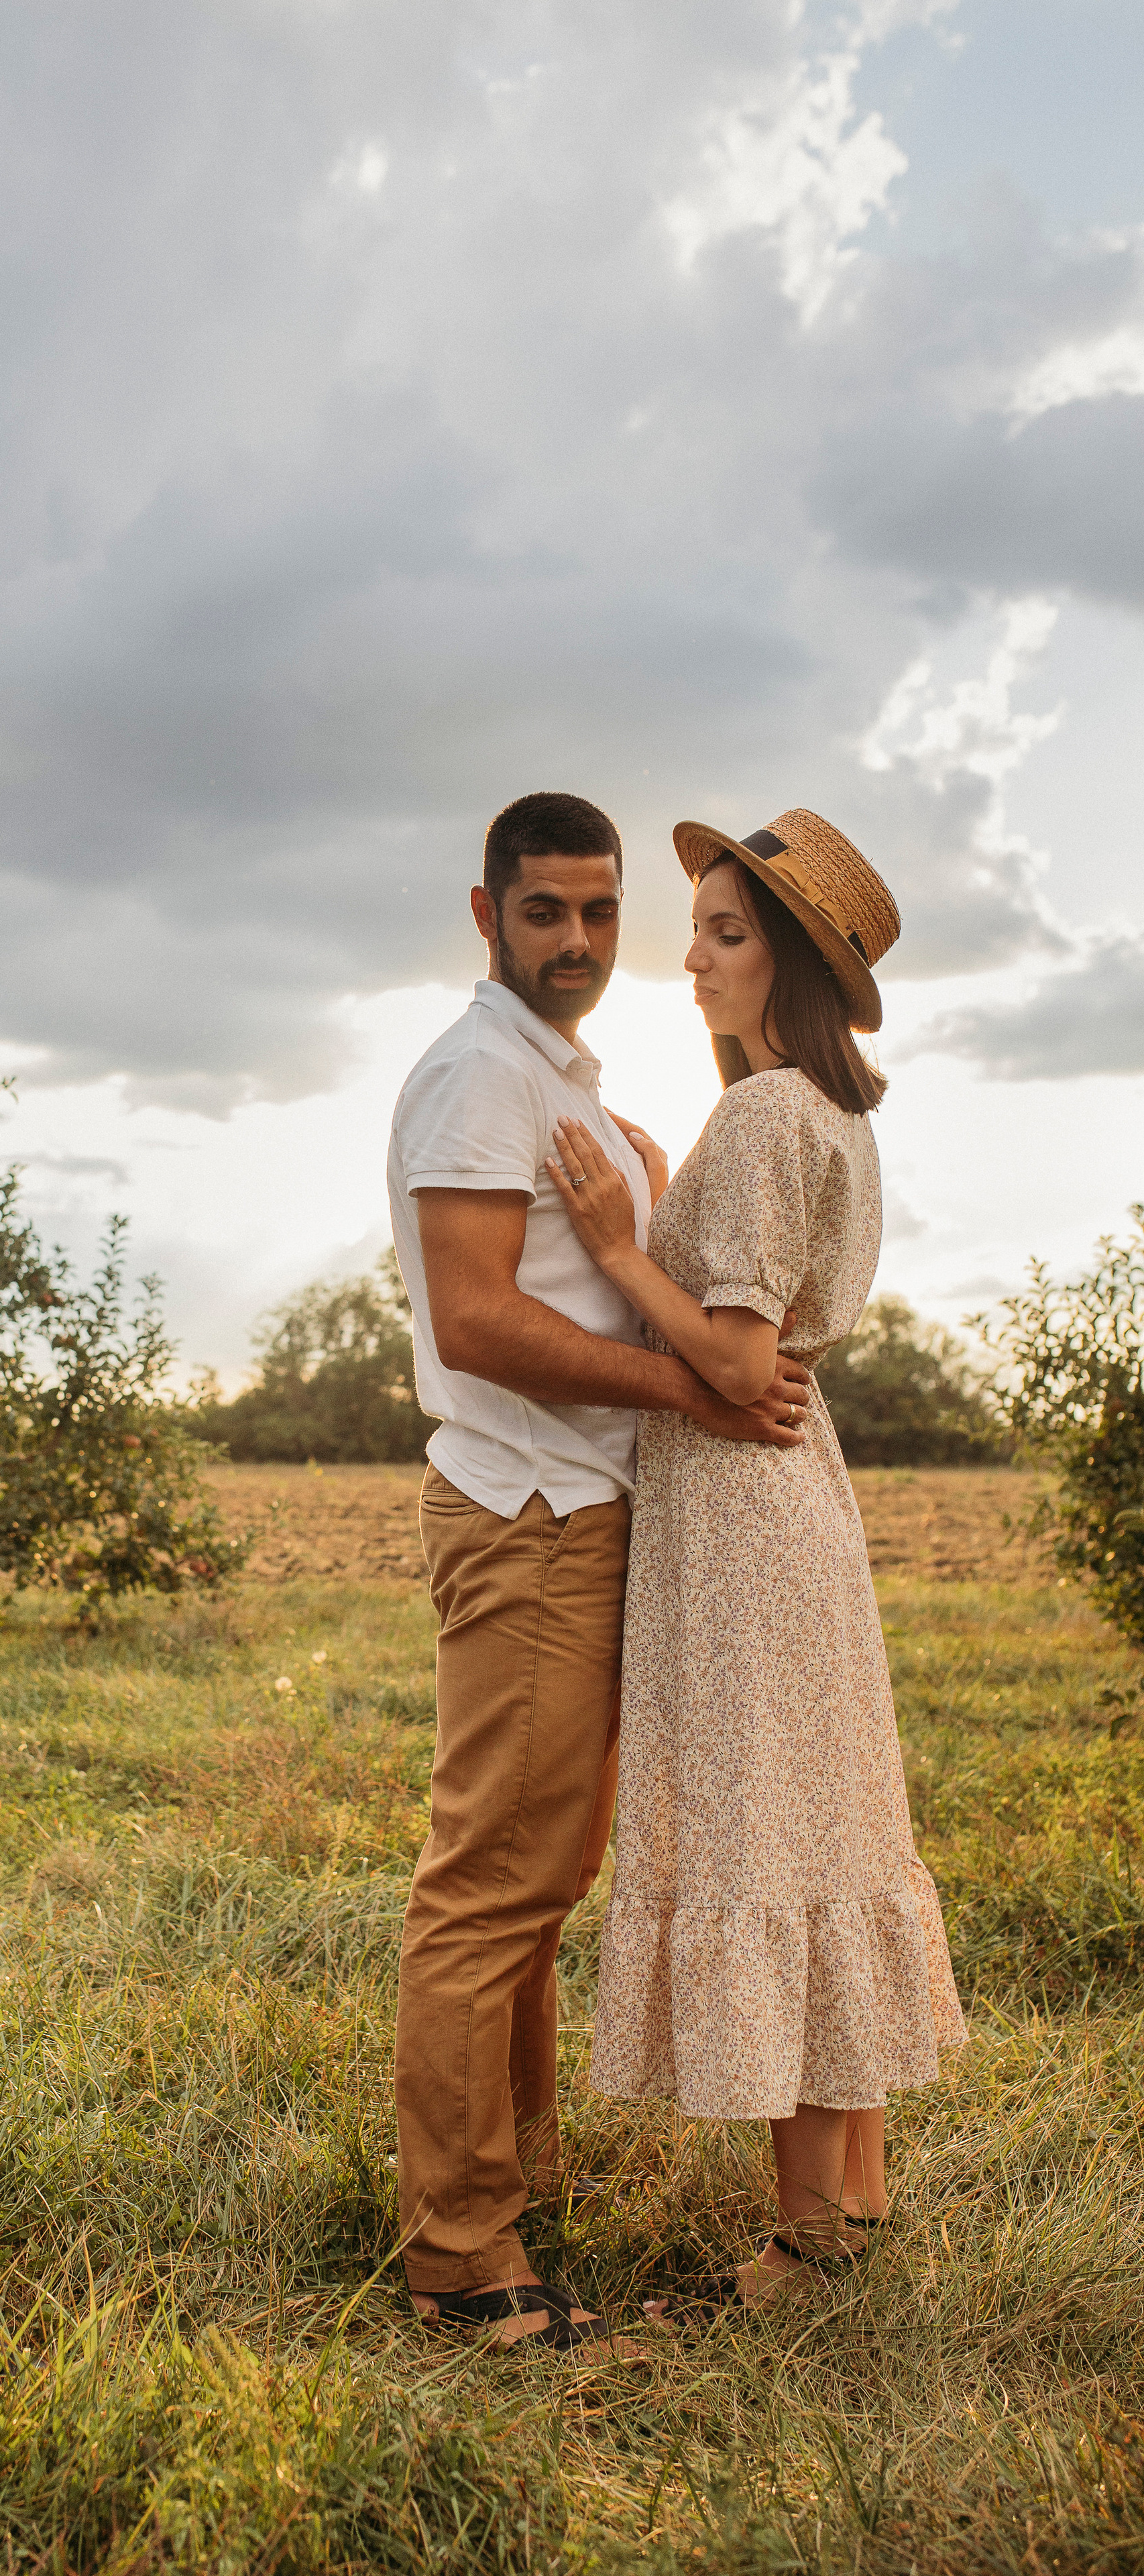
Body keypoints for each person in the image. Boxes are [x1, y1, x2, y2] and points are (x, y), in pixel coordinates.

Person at [387, 790, 819, 2355]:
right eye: (543, 911)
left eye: (596, 911)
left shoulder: (551, 1074)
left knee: (538, 1885)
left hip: (590, 1512)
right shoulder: (471, 1083)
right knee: (487, 1889)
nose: (574, 941)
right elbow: (476, 1323)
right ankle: (463, 2260)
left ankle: (519, 2189)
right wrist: (691, 1392)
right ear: (485, 911)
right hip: (532, 1517)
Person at [545, 808, 966, 2308]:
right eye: (702, 929)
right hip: (802, 1509)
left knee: (770, 1838)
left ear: (788, 959)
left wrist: (614, 1246)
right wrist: (668, 1199)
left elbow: (730, 1358)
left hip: (739, 1515)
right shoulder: (827, 1119)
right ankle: (845, 2205)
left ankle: (796, 2242)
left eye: (726, 932)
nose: (692, 954)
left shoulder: (766, 1117)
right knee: (819, 1831)